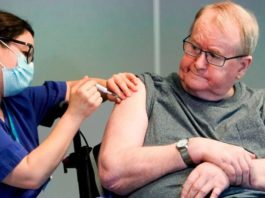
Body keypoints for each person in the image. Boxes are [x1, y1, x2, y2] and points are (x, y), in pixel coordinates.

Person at [98, 1, 265, 197]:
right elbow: (112, 172)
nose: (199, 63)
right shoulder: (143, 90)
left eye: (213, 55)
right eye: (194, 47)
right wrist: (193, 148)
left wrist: (230, 173)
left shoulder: (259, 105)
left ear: (242, 67)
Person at [0, 10, 138, 198]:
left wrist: (112, 84)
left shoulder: (17, 101)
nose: (28, 65)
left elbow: (76, 88)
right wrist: (75, 114)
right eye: (24, 54)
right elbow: (30, 174)